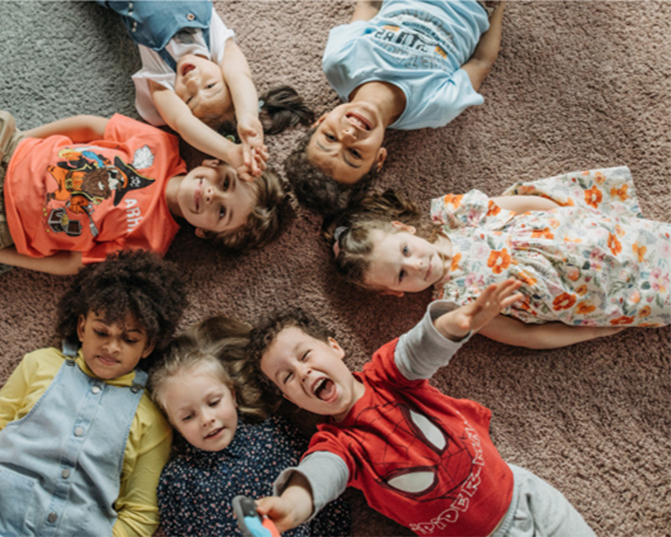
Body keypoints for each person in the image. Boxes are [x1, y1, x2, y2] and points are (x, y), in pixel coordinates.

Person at [248, 282, 597, 536]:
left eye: (306, 355)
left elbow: (417, 349)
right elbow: (320, 475)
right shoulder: (337, 445)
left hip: (525, 495)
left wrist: (458, 323)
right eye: (288, 378)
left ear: (334, 347)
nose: (303, 372)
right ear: (292, 400)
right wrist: (292, 507)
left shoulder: (386, 374)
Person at [0, 80, 286, 276]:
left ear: (205, 233)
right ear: (214, 164)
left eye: (220, 213)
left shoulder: (151, 247)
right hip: (2, 150)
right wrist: (23, 140)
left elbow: (71, 263)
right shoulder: (161, 146)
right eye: (224, 184)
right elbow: (89, 126)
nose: (209, 196)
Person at [0, 249, 187, 537]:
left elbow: (142, 513)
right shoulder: (39, 364)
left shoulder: (151, 418)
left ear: (148, 347)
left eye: (129, 339)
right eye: (101, 332)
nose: (112, 347)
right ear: (82, 328)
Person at [325, 166, 671, 348]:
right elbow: (526, 336)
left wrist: (568, 218)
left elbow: (524, 206)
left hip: (590, 236)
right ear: (394, 293)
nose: (417, 265)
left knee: (655, 240)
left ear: (406, 229)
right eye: (402, 275)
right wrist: (592, 333)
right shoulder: (459, 305)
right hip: (592, 297)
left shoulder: (459, 218)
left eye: (405, 251)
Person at [284, 0, 506, 215]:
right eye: (354, 153)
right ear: (379, 159)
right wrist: (499, 7)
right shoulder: (436, 107)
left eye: (330, 138)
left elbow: (369, 5)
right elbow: (480, 62)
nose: (349, 134)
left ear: (320, 121)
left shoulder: (339, 61)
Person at [147, 316, 350, 537]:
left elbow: (323, 497)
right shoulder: (177, 479)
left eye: (214, 403)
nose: (206, 419)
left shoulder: (276, 435)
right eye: (188, 417)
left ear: (232, 395)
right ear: (174, 425)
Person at [98, 0, 314, 179]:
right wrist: (248, 118)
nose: (193, 82)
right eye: (211, 86)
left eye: (190, 99)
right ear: (224, 74)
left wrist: (229, 152)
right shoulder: (218, 46)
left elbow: (183, 123)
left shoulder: (162, 74)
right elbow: (240, 75)